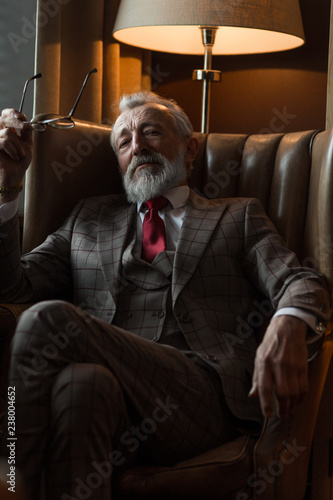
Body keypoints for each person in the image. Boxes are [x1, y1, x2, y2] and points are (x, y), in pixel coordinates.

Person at [0, 91, 330, 500]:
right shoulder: (88, 217)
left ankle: (13, 479)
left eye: (151, 132)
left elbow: (300, 280)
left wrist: (288, 322)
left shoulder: (237, 215)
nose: (136, 146)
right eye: (124, 142)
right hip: (117, 411)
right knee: (80, 386)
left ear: (189, 148)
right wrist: (7, 191)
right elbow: (14, 286)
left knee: (46, 320)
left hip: (200, 403)